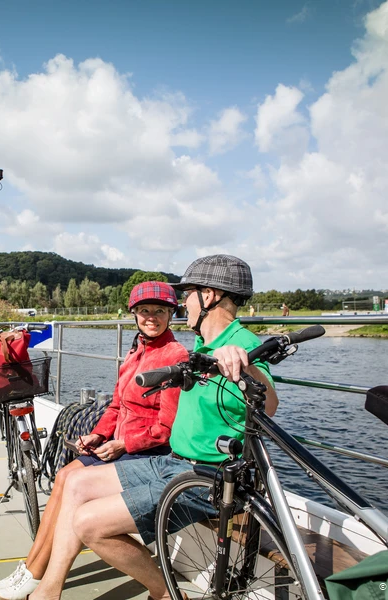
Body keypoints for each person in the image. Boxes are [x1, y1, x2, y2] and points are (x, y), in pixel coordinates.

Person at [25, 254, 278, 600]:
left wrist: (245, 367)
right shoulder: (203, 344)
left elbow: (270, 405)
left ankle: (165, 594)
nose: (182, 304)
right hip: (175, 463)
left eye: (186, 294)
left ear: (208, 296)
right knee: (74, 482)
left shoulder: (242, 343)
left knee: (88, 523)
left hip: (210, 478)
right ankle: (49, 590)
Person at [0, 282, 188, 600]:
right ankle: (34, 569)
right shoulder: (135, 352)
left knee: (73, 480)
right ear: (135, 315)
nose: (151, 317)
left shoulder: (174, 356)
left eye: (159, 311)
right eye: (144, 311)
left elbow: (166, 429)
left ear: (171, 315)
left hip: (145, 451)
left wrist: (123, 444)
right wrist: (98, 434)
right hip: (118, 445)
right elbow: (116, 406)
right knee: (63, 476)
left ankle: (41, 577)